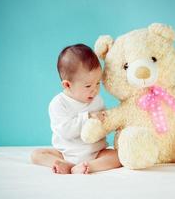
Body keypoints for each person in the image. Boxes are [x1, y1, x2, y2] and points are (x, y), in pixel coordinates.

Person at [31, 44, 121, 174]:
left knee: (117, 156)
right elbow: (65, 131)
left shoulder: (97, 100)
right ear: (67, 84)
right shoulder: (58, 103)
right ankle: (67, 164)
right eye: (88, 85)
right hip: (66, 153)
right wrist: (88, 117)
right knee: (36, 154)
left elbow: (103, 123)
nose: (95, 90)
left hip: (96, 152)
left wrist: (106, 122)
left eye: (97, 83)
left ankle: (89, 166)